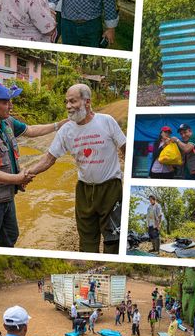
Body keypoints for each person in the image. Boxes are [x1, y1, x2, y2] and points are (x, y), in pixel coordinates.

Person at [0, 80, 67, 247]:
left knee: (10, 236)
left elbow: (31, 130)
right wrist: (18, 179)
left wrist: (59, 125)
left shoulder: (6, 122)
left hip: (5, 197)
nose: (10, 106)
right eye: (6, 102)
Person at [27, 83, 126, 253]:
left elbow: (126, 149)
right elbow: (49, 159)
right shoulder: (66, 131)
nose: (68, 106)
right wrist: (27, 174)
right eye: (66, 102)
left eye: (72, 101)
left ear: (87, 102)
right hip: (84, 191)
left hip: (111, 189)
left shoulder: (106, 121)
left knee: (114, 239)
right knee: (87, 241)